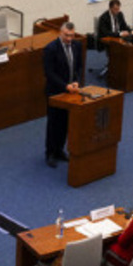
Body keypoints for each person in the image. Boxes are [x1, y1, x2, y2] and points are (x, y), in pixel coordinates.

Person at [42, 21, 82, 168]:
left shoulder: (77, 46)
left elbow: (78, 66)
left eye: (72, 35)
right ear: (60, 33)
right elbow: (49, 73)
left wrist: (77, 81)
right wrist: (65, 86)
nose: (69, 39)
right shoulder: (51, 49)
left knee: (65, 122)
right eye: (66, 35)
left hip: (71, 91)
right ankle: (50, 153)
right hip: (55, 91)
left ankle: (59, 150)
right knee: (54, 123)